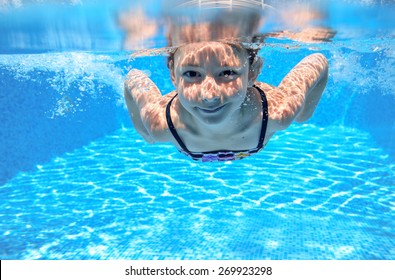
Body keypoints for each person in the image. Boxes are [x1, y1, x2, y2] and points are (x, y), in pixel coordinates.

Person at [123, 7, 329, 162]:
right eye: (192, 73)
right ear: (173, 76)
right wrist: (144, 133)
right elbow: (133, 78)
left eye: (227, 73)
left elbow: (318, 60)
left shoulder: (277, 113)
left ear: (253, 72)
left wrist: (303, 114)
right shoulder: (160, 124)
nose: (210, 95)